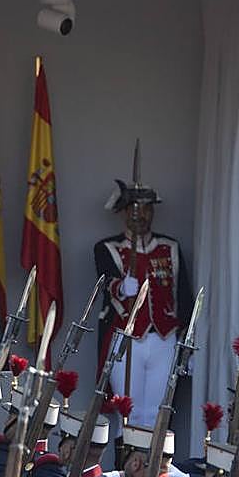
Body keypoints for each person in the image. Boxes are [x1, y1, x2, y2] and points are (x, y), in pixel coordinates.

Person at [93, 148, 193, 427]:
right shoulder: (108, 248)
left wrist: (187, 343)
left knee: (158, 412)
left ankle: (154, 467)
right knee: (127, 412)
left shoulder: (169, 247)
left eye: (147, 208)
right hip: (126, 337)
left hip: (164, 336)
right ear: (123, 212)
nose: (142, 215)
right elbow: (104, 284)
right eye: (135, 209)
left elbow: (182, 296)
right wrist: (120, 287)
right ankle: (127, 466)